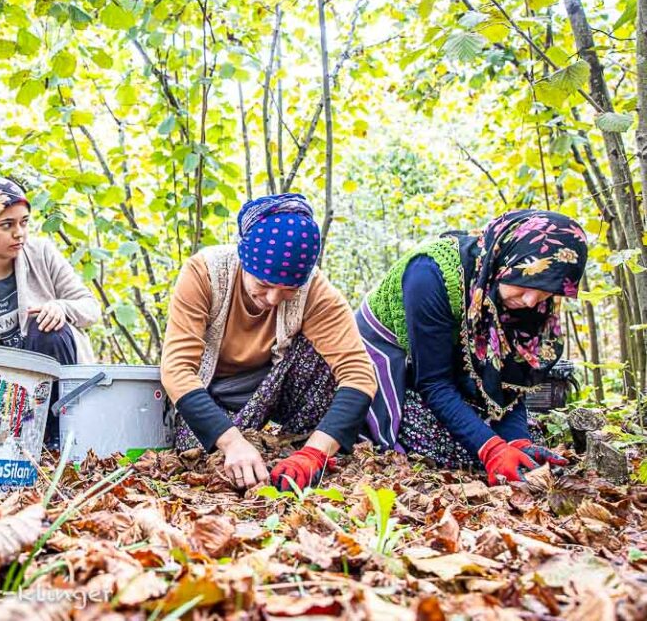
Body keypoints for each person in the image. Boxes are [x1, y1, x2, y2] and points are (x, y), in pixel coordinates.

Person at [161, 194, 377, 491]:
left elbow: (359, 375)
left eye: (289, 289)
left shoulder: (315, 291)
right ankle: (250, 445)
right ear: (244, 261)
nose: (274, 299)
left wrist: (314, 454)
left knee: (321, 355)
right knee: (201, 454)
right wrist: (232, 442)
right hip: (214, 396)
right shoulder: (205, 274)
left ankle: (297, 444)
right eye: (263, 284)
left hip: (275, 392)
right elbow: (176, 370)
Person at [358, 210, 587, 485]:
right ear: (507, 259)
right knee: (441, 444)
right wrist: (491, 450)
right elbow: (433, 382)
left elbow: (511, 377)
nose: (530, 300)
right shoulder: (430, 275)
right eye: (526, 283)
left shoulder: (525, 298)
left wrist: (517, 441)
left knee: (523, 440)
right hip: (389, 357)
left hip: (452, 362)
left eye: (547, 292)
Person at [0, 175, 102, 444]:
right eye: (7, 225)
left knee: (47, 327)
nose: (20, 233)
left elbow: (90, 308)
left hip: (57, 377)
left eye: (24, 222)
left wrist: (60, 307)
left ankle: (61, 434)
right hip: (1, 389)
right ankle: (24, 437)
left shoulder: (42, 253)